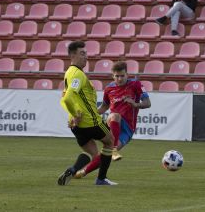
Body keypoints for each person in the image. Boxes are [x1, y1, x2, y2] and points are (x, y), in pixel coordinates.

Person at [74, 61, 151, 179]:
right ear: (112, 76)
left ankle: (82, 172)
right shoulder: (109, 88)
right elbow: (104, 107)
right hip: (113, 122)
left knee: (106, 154)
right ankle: (114, 149)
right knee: (115, 115)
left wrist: (135, 104)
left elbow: (147, 103)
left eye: (122, 76)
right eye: (117, 76)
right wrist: (88, 115)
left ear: (127, 74)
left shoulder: (136, 84)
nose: (119, 79)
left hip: (128, 129)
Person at [58, 41, 117, 186]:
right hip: (91, 121)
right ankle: (101, 179)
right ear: (72, 55)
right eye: (82, 53)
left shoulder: (69, 73)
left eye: (86, 53)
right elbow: (68, 97)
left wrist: (72, 116)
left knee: (94, 155)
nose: (86, 57)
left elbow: (63, 99)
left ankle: (73, 169)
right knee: (110, 141)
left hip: (76, 125)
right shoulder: (78, 74)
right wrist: (76, 114)